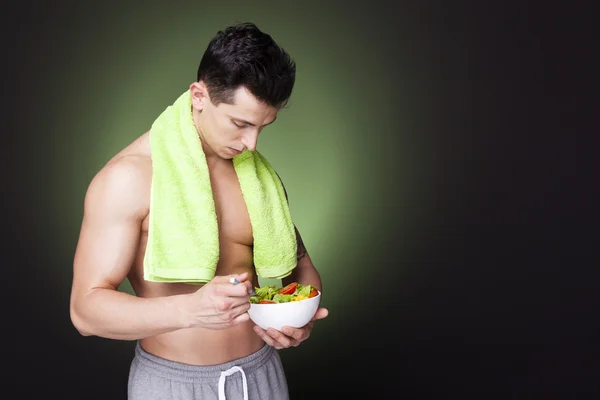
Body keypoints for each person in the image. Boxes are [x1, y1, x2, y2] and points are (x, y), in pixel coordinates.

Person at [69, 22, 328, 400]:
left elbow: (302, 267)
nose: (251, 144)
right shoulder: (129, 178)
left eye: (262, 127)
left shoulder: (260, 183)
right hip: (172, 385)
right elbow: (85, 311)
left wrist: (295, 322)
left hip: (262, 374)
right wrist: (191, 310)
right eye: (240, 124)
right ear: (199, 95)